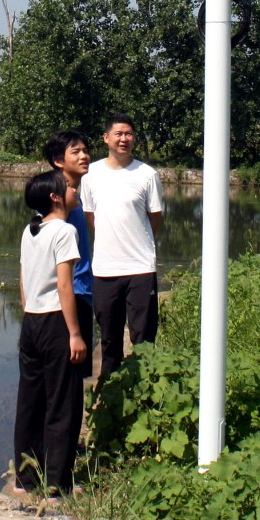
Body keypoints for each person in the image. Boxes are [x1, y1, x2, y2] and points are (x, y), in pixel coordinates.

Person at [12, 169, 88, 498]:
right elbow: (65, 285)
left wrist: (30, 312)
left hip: (31, 321)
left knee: (30, 401)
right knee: (63, 403)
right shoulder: (65, 231)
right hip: (57, 322)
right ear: (56, 198)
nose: (75, 190)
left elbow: (23, 279)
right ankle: (58, 482)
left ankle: (25, 478)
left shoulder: (31, 231)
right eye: (70, 187)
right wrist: (75, 333)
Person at [80, 113, 163, 376]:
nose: (124, 139)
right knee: (108, 337)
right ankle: (110, 394)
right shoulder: (90, 173)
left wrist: (138, 243)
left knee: (143, 338)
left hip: (140, 268)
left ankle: (144, 393)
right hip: (105, 269)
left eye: (129, 134)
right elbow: (90, 217)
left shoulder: (147, 174)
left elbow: (155, 218)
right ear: (106, 138)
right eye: (118, 134)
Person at [43, 129, 94, 378]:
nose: (84, 156)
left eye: (85, 150)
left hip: (82, 294)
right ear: (58, 161)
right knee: (68, 381)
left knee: (73, 379)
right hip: (71, 298)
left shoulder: (74, 198)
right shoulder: (57, 203)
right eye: (76, 152)